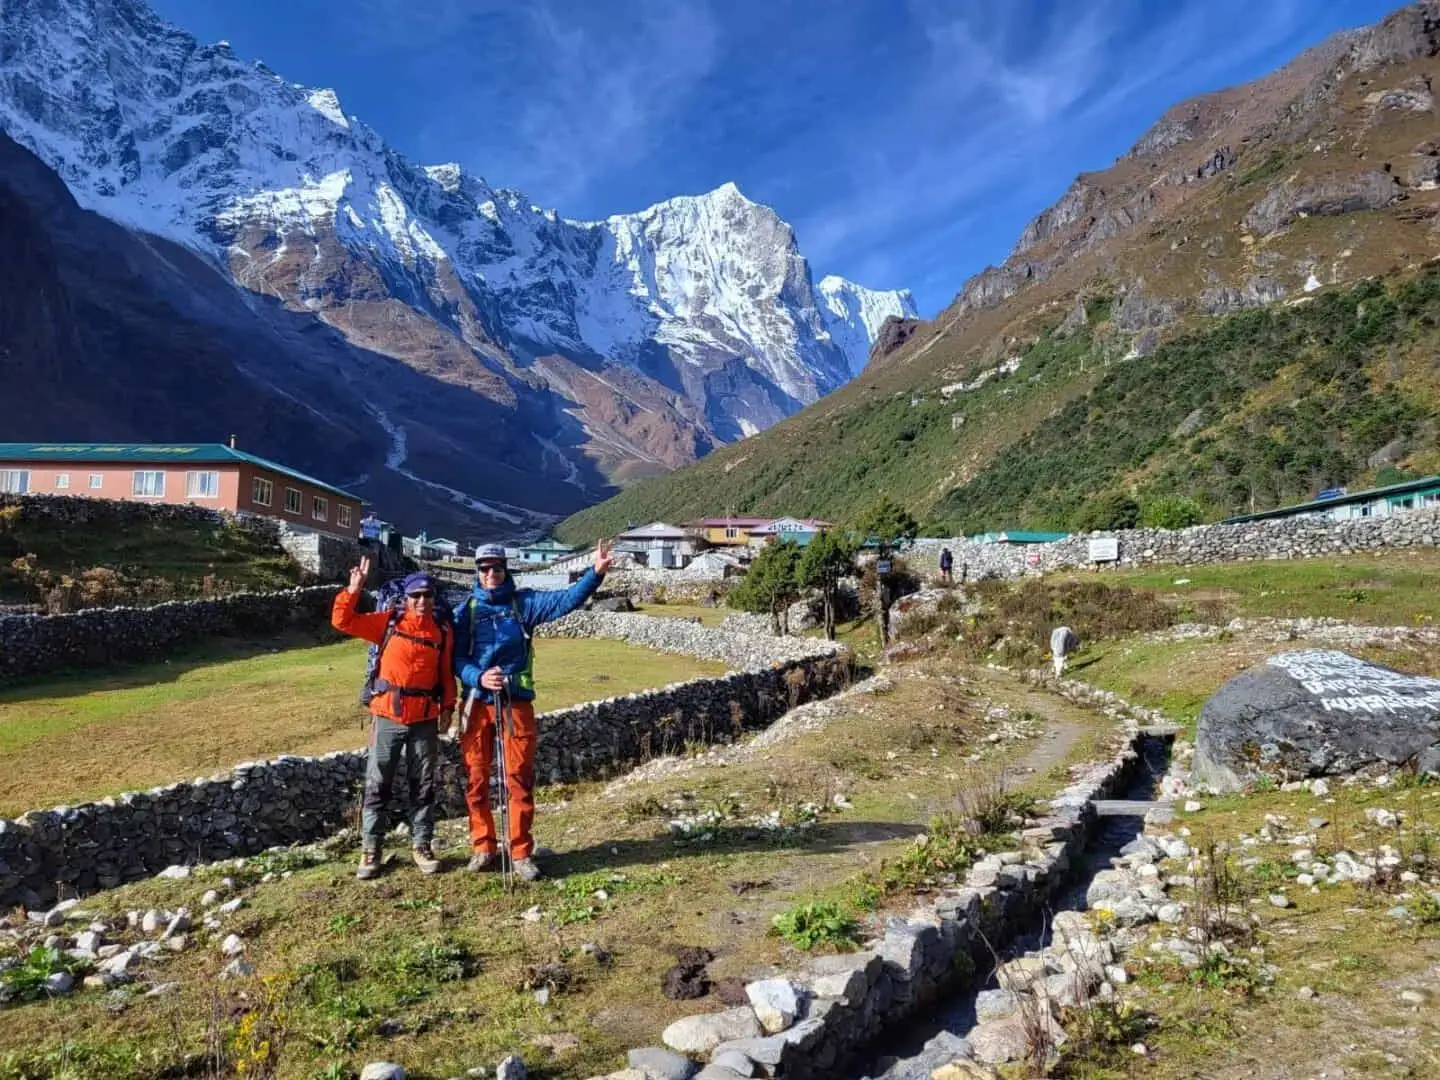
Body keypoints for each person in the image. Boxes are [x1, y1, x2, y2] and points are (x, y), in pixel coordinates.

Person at [453, 539, 614, 880]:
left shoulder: (523, 604)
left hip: (515, 703)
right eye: (484, 569)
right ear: (477, 573)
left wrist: (595, 574)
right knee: (477, 779)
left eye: (496, 567)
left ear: (505, 569)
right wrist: (479, 676)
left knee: (518, 779)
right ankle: (483, 847)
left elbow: (564, 601)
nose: (491, 573)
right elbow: (456, 658)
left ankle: (520, 851)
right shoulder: (465, 611)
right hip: (476, 703)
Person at [332, 558, 455, 880]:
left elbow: (446, 674)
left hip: (425, 719)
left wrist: (448, 709)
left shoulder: (441, 632)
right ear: (406, 598)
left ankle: (422, 845)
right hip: (387, 716)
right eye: (416, 596)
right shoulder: (387, 623)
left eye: (427, 596)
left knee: (424, 785)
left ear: (433, 599)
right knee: (377, 784)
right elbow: (343, 621)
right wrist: (353, 589)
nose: (422, 602)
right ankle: (371, 849)